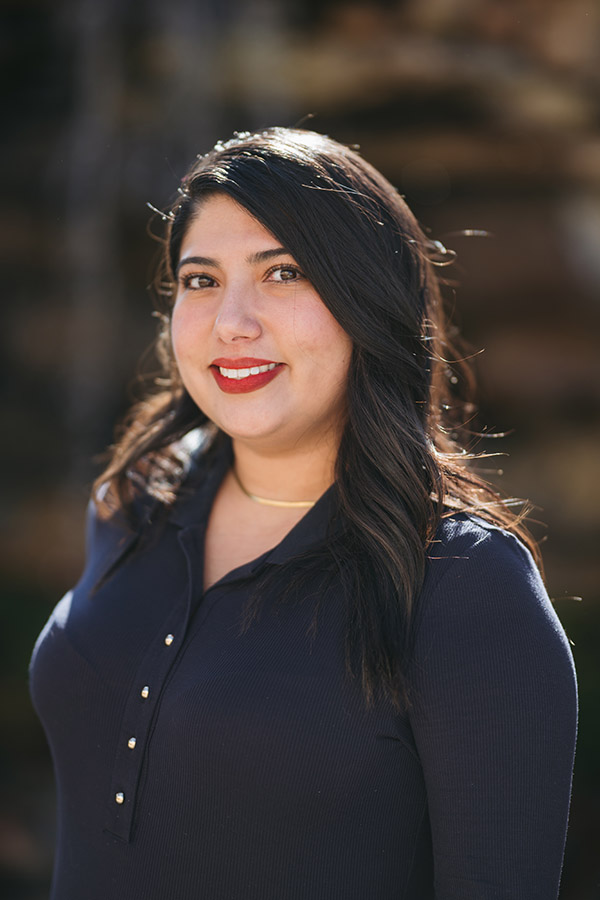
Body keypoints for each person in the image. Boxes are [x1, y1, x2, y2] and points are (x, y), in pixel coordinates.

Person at [30, 127, 577, 900]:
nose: (232, 322)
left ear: (367, 300)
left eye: (283, 272)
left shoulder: (462, 582)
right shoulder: (134, 503)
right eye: (200, 280)